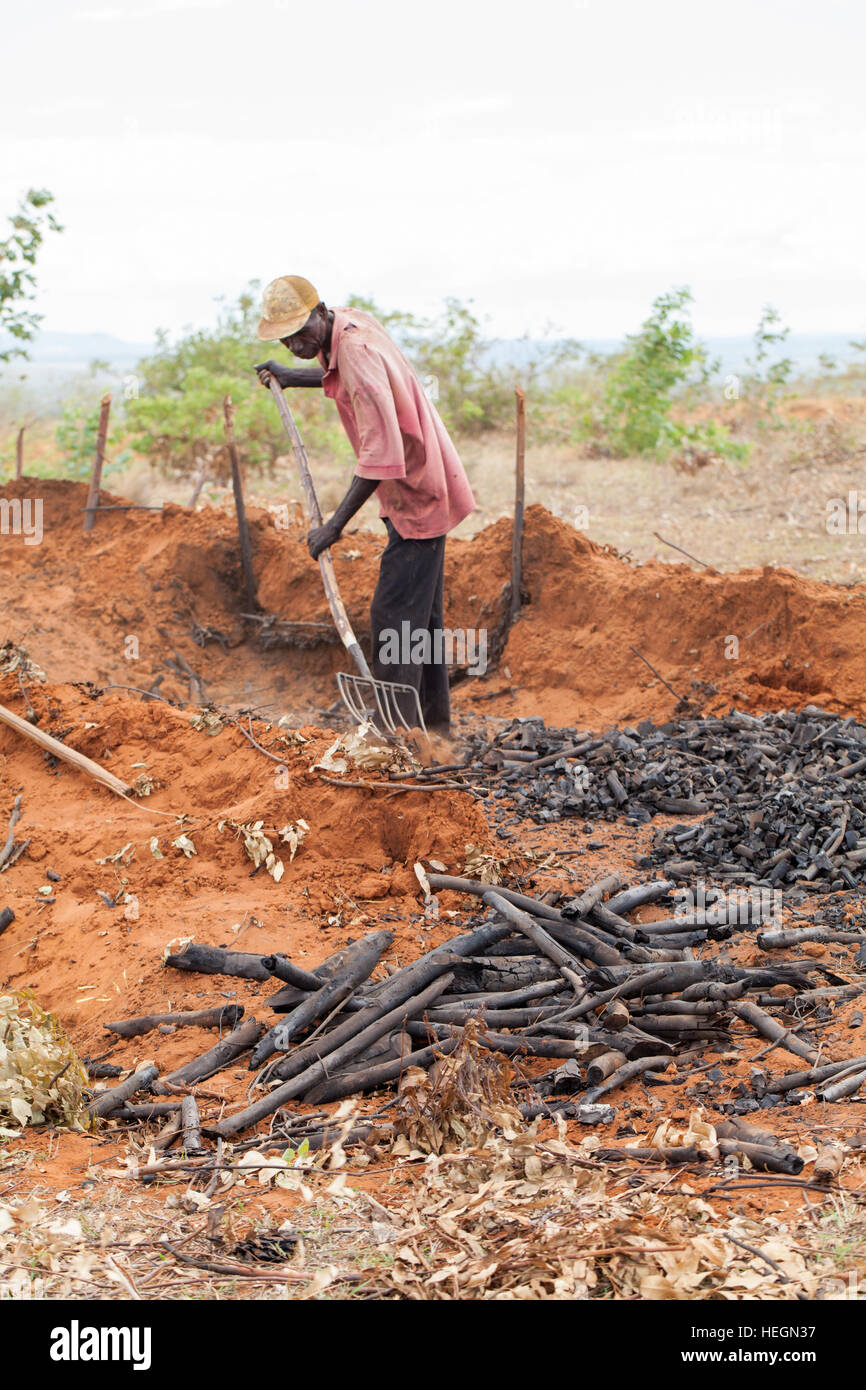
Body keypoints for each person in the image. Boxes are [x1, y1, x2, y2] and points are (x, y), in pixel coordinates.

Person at [255, 275, 475, 734]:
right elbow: (350, 383)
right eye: (286, 339)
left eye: (301, 333)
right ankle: (431, 730)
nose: (297, 345)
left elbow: (382, 458)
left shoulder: (354, 351)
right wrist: (295, 377)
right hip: (419, 486)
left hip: (416, 493)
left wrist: (333, 527)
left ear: (321, 312)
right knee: (421, 622)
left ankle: (392, 733)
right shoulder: (349, 325)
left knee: (394, 617)